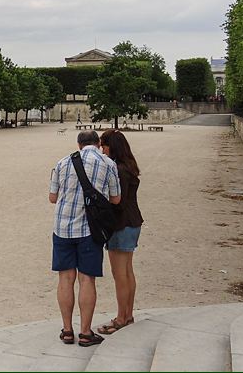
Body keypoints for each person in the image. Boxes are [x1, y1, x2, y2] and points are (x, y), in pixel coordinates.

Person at [49, 130, 121, 347]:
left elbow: (53, 197)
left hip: (62, 227)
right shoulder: (108, 163)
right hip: (90, 230)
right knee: (86, 279)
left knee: (65, 278)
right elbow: (116, 199)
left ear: (78, 145)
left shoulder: (63, 162)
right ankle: (85, 332)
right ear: (98, 143)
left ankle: (67, 329)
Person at [96, 129, 144, 335]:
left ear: (111, 146)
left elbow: (117, 201)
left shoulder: (118, 170)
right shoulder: (129, 167)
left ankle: (121, 318)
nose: (102, 150)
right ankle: (128, 314)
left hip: (121, 224)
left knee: (119, 274)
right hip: (133, 222)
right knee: (128, 271)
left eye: (103, 146)